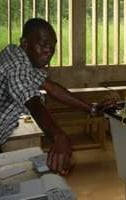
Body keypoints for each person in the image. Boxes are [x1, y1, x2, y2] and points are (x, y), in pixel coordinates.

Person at [0, 18, 104, 175]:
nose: (48, 51)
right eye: (43, 45)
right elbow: (32, 102)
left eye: (52, 47)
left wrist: (91, 108)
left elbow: (51, 88)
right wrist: (58, 137)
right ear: (25, 43)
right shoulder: (17, 67)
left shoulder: (19, 55)